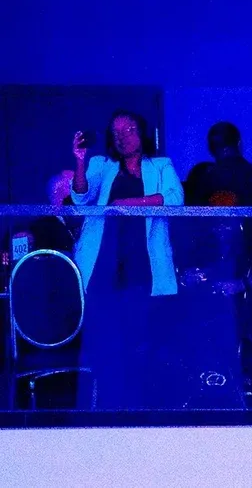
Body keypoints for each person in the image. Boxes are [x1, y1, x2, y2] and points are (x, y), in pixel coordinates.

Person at [70, 110, 183, 409]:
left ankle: (136, 414)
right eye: (116, 132)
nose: (122, 136)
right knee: (106, 347)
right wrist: (80, 160)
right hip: (104, 266)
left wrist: (125, 204)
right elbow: (82, 195)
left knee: (138, 344)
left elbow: (174, 198)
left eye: (128, 129)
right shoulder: (102, 165)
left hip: (141, 268)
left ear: (141, 132)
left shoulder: (160, 166)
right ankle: (107, 415)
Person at [178, 122, 252, 408]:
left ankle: (211, 394)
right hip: (251, 285)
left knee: (210, 349)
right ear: (239, 143)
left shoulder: (199, 181)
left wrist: (192, 273)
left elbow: (187, 233)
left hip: (212, 286)